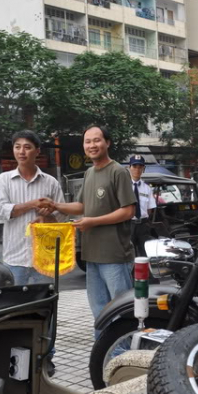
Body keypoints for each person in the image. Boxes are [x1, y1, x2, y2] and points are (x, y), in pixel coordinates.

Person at [44, 125, 136, 323]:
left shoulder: (118, 171)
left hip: (114, 256)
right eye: (88, 141)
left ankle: (124, 351)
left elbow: (128, 210)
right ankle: (104, 351)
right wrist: (55, 206)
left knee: (121, 310)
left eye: (97, 140)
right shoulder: (89, 173)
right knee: (99, 311)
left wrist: (92, 222)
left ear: (107, 143)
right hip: (91, 255)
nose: (92, 145)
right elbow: (81, 206)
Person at [0, 130, 66, 285]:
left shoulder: (50, 182)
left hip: (45, 259)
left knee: (45, 306)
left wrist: (47, 216)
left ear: (37, 151)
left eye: (27, 147)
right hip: (15, 260)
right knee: (16, 307)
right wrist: (33, 204)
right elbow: (1, 212)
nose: (21, 152)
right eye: (17, 147)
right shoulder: (3, 180)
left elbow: (62, 215)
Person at [128, 155, 156, 256]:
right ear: (129, 167)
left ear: (143, 169)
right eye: (134, 166)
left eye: (140, 167)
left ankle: (144, 272)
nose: (137, 169)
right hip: (128, 225)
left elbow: (149, 209)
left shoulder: (147, 188)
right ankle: (130, 272)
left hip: (143, 226)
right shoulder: (124, 186)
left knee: (144, 253)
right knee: (129, 254)